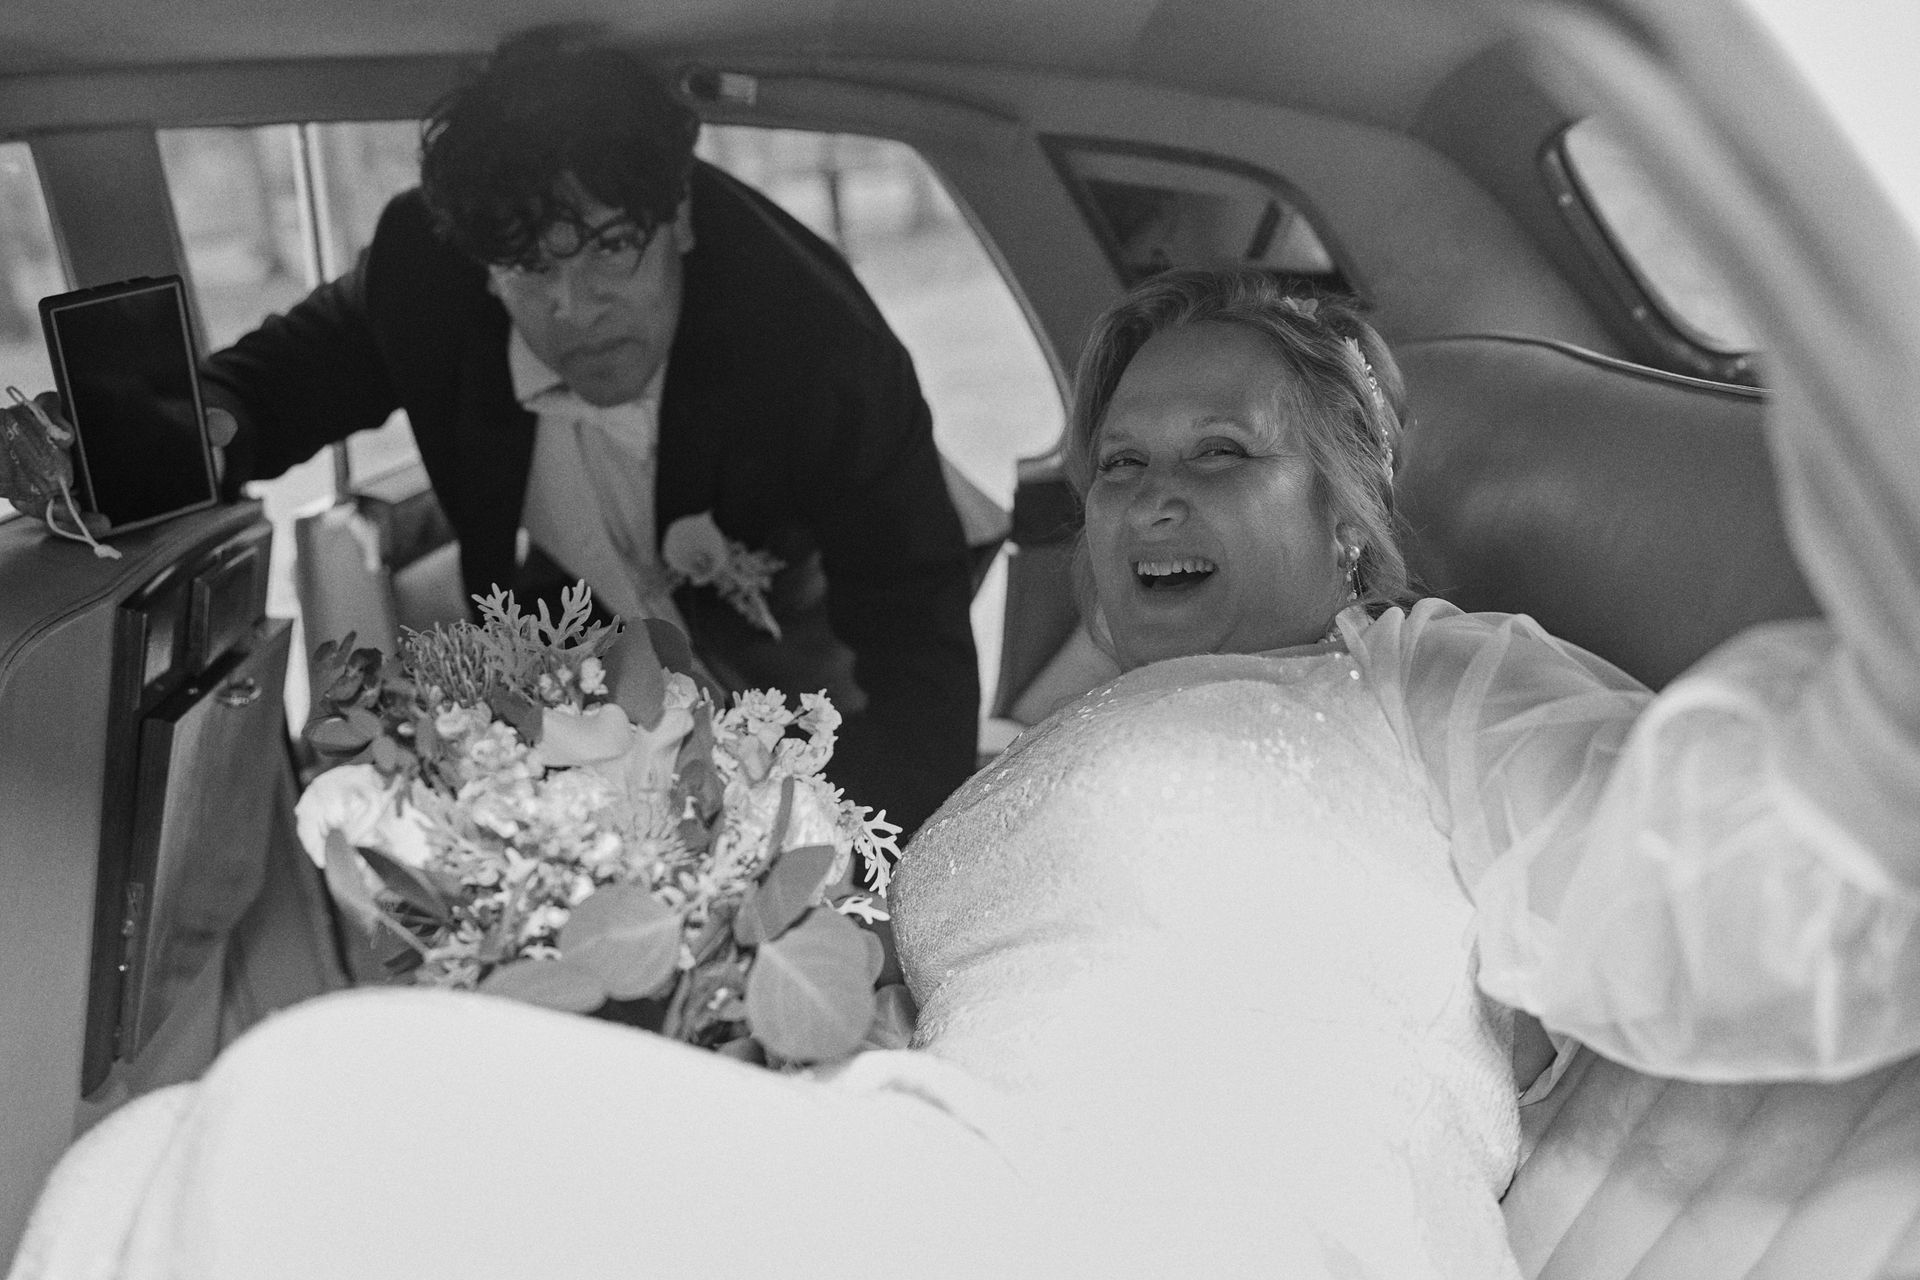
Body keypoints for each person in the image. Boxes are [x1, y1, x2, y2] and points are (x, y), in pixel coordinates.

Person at [10, 266, 1918, 1280]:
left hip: (1198, 1237)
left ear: (1352, 526)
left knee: (298, 1132)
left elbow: (1702, 886)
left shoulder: (1426, 683)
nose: (1151, 497)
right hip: (948, 1182)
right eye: (1125, 468)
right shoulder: (1057, 741)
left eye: (1223, 460)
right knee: (173, 1154)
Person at [0, 25, 980, 838]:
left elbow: (918, 642)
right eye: (525, 269)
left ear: (676, 214)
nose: (574, 309)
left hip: (783, 683)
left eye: (608, 250)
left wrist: (834, 847)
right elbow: (275, 386)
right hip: (561, 702)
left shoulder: (818, 351)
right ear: (480, 262)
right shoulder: (422, 276)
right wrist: (166, 441)